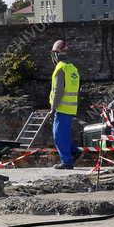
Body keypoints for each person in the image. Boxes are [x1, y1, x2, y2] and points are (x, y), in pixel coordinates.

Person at [48, 39, 81, 170]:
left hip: (62, 108)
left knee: (58, 136)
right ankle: (74, 151)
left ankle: (67, 161)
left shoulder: (60, 68)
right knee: (64, 134)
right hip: (71, 107)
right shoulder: (72, 69)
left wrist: (52, 108)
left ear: (57, 54)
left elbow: (58, 91)